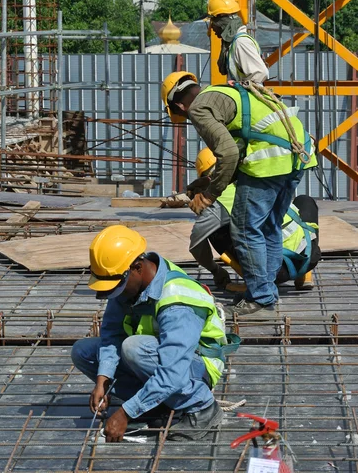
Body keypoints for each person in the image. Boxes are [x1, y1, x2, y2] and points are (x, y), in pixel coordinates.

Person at [161, 69, 317, 316]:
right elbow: (243, 146)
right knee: (269, 226)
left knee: (245, 229)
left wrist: (210, 194)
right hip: (298, 156)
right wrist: (210, 182)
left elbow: (230, 155)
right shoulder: (224, 91)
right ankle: (266, 291)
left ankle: (261, 297)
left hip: (270, 164)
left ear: (180, 105)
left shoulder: (199, 109)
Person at [71, 225, 233, 442]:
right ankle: (154, 406)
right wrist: (103, 380)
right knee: (84, 352)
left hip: (196, 363)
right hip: (156, 355)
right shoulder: (128, 283)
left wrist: (125, 412)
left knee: (133, 348)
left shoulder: (177, 301)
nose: (114, 295)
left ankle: (201, 407)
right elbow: (111, 332)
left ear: (137, 268)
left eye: (116, 287)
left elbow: (172, 371)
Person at [189, 148, 321, 291]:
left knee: (213, 231)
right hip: (309, 257)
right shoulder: (260, 174)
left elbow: (196, 244)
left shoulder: (219, 202)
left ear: (207, 179)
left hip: (273, 273)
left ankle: (254, 284)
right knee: (304, 201)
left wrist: (216, 270)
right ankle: (305, 275)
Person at [207, 0, 269, 83]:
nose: (212, 27)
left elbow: (260, 73)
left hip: (247, 95)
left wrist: (239, 86)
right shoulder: (232, 43)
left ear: (221, 21)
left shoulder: (241, 42)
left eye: (213, 21)